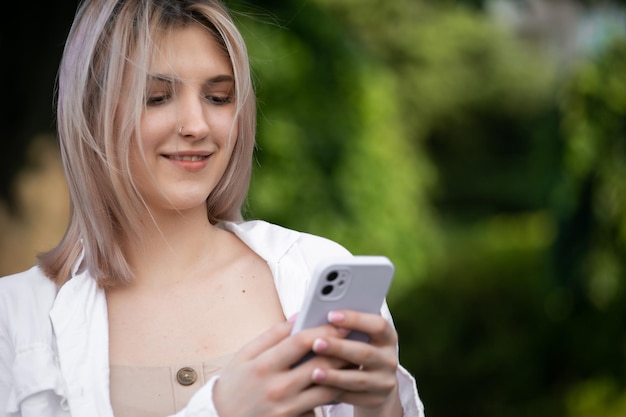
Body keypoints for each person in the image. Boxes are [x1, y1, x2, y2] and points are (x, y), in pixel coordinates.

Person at [0, 0, 425, 416]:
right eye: (157, 97)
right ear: (92, 115)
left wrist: (379, 405)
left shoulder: (313, 270)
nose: (197, 125)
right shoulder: (17, 319)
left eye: (219, 97)